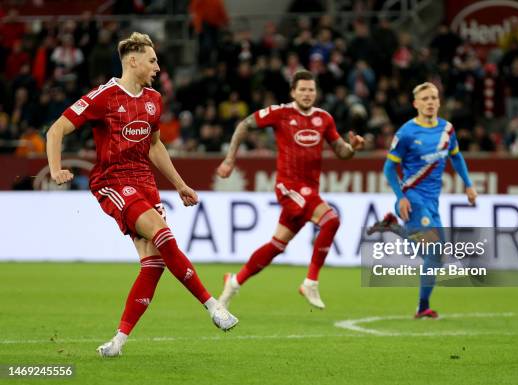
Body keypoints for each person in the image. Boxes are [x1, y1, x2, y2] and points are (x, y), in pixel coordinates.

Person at [45, 32, 238, 358]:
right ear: (132, 61)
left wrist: (179, 184)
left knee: (154, 263)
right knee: (162, 233)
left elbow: (155, 145)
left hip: (145, 182)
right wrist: (55, 169)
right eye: (152, 60)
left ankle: (117, 342)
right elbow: (56, 129)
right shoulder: (102, 97)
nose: (157, 66)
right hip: (114, 182)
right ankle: (213, 306)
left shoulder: (154, 99)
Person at [216, 70, 364, 309]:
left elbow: (342, 152)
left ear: (316, 92)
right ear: (293, 92)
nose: (307, 94)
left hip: (309, 191)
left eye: (311, 90)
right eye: (302, 89)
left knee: (277, 245)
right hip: (289, 187)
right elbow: (244, 125)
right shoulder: (280, 113)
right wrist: (230, 159)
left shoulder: (324, 119)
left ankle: (234, 281)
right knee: (331, 220)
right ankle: (311, 282)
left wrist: (353, 147)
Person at [370, 82, 477, 318]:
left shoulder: (447, 130)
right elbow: (389, 168)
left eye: (433, 98)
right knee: (435, 250)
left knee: (436, 255)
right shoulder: (407, 133)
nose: (430, 102)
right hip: (413, 198)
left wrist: (468, 185)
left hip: (432, 202)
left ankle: (422, 306)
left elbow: (456, 158)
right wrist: (401, 198)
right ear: (415, 104)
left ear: (439, 102)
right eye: (425, 98)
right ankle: (422, 308)